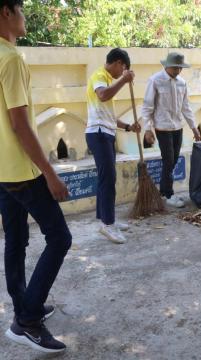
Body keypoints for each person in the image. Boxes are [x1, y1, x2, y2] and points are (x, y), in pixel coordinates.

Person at [0, 0, 71, 352]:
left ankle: (24, 307)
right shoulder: (11, 59)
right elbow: (19, 124)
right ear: (6, 12)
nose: (26, 17)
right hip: (21, 169)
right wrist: (50, 174)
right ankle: (26, 321)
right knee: (60, 238)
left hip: (2, 170)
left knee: (16, 240)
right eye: (22, 10)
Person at [85, 48, 140, 244]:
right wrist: (124, 81)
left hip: (105, 132)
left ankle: (105, 219)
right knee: (109, 179)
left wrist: (128, 127)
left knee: (105, 178)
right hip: (98, 134)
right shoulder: (100, 75)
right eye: (124, 68)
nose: (123, 72)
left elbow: (107, 113)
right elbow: (102, 96)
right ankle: (109, 225)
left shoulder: (107, 80)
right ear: (118, 63)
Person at [142, 52, 201, 208]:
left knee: (173, 160)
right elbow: (147, 106)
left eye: (180, 68)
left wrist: (194, 127)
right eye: (175, 68)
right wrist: (147, 129)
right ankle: (167, 193)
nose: (178, 71)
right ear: (167, 66)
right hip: (162, 127)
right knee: (168, 160)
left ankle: (164, 191)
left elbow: (186, 107)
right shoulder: (155, 80)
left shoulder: (182, 83)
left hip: (177, 127)